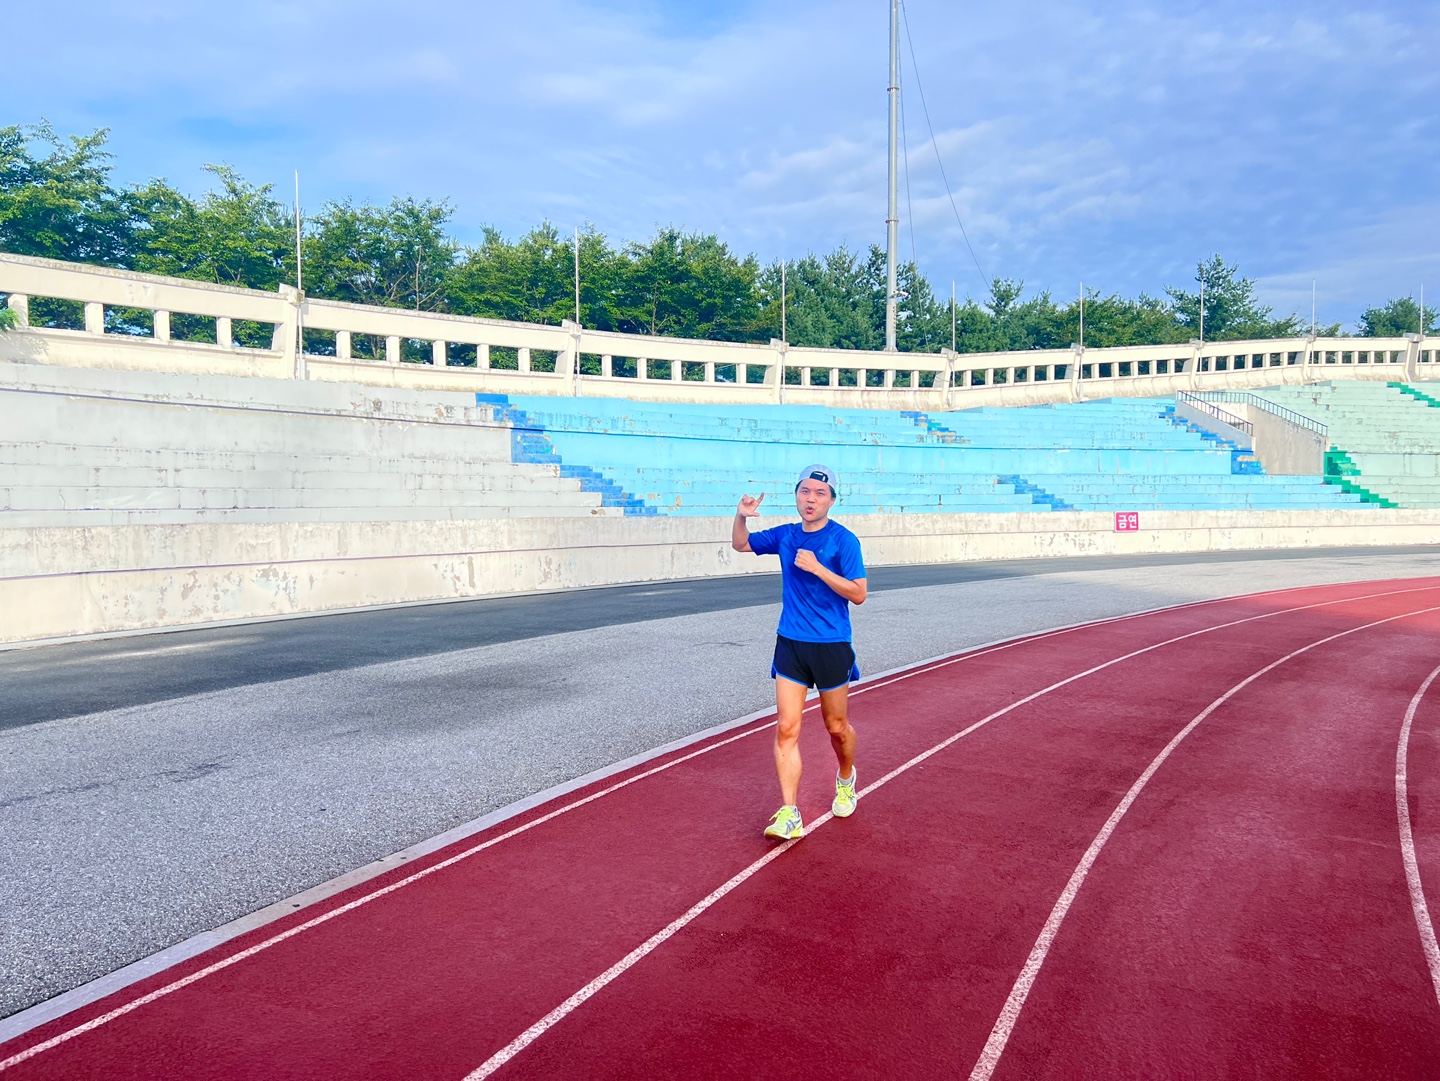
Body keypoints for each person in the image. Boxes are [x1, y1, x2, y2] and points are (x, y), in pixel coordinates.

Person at [732, 464, 867, 840]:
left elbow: (859, 593)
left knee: (836, 727)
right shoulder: (786, 535)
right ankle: (790, 812)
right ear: (796, 496)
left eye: (820, 493)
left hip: (831, 645)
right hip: (790, 642)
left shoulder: (843, 540)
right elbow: (741, 544)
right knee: (787, 728)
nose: (811, 499)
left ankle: (845, 778)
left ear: (832, 500)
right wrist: (740, 517)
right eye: (805, 491)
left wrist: (819, 569)